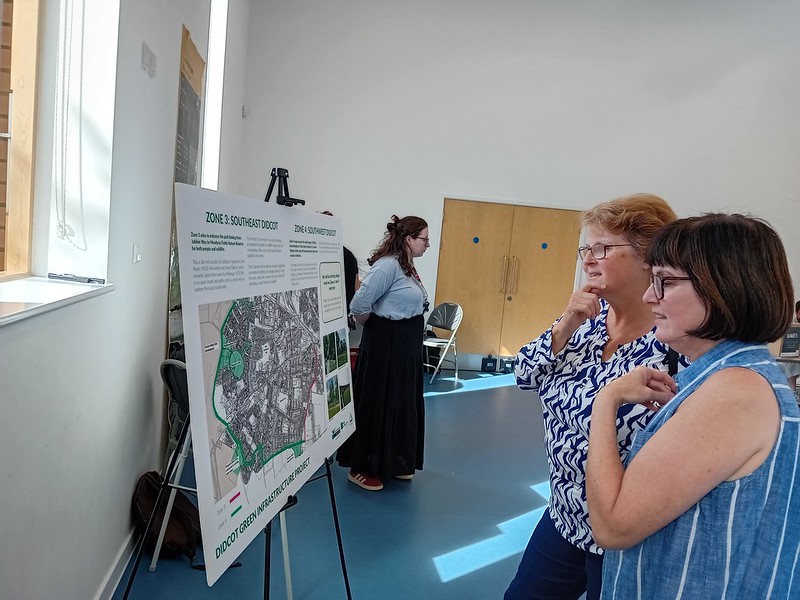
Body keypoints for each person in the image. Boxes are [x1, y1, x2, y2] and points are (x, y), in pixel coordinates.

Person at [586, 213, 799, 598]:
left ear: (724, 288)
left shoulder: (735, 391)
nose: (650, 296)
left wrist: (606, 400)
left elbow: (613, 525)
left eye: (665, 282)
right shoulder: (729, 378)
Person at [506, 193, 683, 600]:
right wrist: (565, 323)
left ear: (648, 256)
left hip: (627, 535)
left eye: (602, 248)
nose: (588, 258)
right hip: (565, 516)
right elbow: (523, 375)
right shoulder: (585, 323)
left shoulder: (672, 348)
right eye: (585, 248)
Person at [336, 215, 430, 491]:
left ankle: (394, 461)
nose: (428, 244)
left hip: (405, 346)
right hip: (386, 344)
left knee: (400, 403)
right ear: (408, 239)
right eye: (424, 239)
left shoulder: (406, 266)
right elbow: (359, 303)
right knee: (378, 404)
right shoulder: (388, 266)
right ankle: (361, 467)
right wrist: (376, 326)